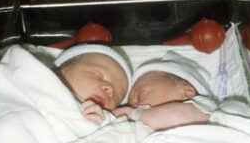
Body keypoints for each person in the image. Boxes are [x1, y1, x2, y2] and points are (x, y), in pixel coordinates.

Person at [83, 50, 217, 131]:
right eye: (133, 105)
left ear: (187, 93)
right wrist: (106, 124)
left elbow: (179, 117)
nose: (134, 107)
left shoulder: (203, 108)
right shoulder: (143, 127)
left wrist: (135, 115)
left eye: (140, 96)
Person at [54, 43, 132, 119]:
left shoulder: (108, 124)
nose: (110, 89)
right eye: (98, 76)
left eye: (117, 97)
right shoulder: (45, 81)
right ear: (59, 73)